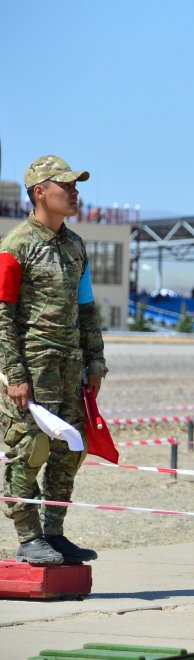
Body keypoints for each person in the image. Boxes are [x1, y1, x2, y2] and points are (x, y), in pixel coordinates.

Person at [1, 155, 109, 565]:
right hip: (31, 368)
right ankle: (29, 538)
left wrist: (95, 362)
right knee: (29, 449)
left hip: (70, 368)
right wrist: (14, 373)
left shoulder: (76, 246)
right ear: (39, 191)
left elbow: (86, 309)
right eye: (66, 186)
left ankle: (54, 534)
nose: (75, 192)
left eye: (76, 186)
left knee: (70, 451)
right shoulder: (16, 246)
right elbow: (2, 313)